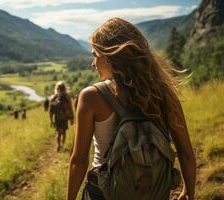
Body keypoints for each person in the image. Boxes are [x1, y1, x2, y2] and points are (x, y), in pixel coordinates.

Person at [67, 18, 196, 200]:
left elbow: (79, 161)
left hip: (105, 193)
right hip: (153, 191)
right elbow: (186, 154)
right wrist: (188, 192)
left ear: (110, 56)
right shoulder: (164, 94)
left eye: (95, 55)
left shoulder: (91, 96)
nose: (93, 63)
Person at [49, 81, 74, 152]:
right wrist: (72, 118)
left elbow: (50, 111)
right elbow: (71, 108)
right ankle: (62, 145)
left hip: (57, 118)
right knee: (64, 132)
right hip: (65, 117)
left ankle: (58, 145)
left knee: (58, 132)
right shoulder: (67, 97)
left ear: (57, 88)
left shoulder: (53, 97)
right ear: (65, 88)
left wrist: (51, 120)